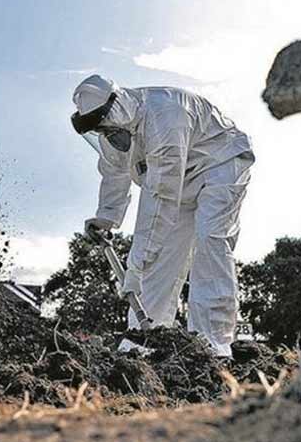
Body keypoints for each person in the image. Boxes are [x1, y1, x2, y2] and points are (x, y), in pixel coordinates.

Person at [71, 74, 254, 359]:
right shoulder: (112, 131)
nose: (106, 136)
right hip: (178, 184)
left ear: (117, 106)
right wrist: (106, 217)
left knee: (210, 240)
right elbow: (114, 175)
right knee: (161, 259)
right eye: (100, 131)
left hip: (220, 165)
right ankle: (144, 342)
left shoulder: (167, 115)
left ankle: (212, 346)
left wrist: (135, 267)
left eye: (106, 127)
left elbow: (160, 198)